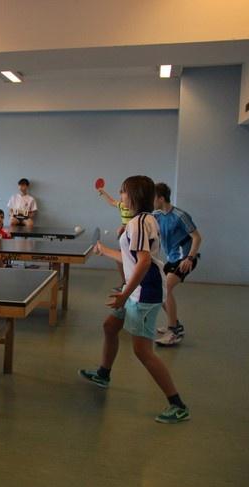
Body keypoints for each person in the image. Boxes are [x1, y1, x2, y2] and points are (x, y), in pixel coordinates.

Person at [79, 175, 190, 424]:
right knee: (110, 326)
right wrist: (104, 250)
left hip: (144, 292)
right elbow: (131, 257)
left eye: (123, 191)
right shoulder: (143, 220)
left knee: (142, 351)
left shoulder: (138, 223)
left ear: (135, 195)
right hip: (137, 288)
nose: (120, 196)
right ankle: (103, 374)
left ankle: (178, 405)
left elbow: (144, 262)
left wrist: (124, 295)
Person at [153, 182, 202, 346]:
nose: (151, 201)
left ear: (161, 198)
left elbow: (197, 237)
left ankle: (173, 331)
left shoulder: (180, 215)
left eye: (153, 198)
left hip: (185, 259)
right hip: (172, 259)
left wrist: (190, 258)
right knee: (159, 290)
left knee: (165, 289)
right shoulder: (157, 215)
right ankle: (175, 324)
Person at [96, 177, 134, 287]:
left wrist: (125, 227)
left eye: (123, 192)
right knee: (120, 259)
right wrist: (103, 192)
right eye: (121, 192)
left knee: (128, 260)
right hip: (125, 236)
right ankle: (125, 283)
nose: (120, 195)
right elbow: (112, 201)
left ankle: (130, 283)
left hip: (133, 237)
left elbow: (135, 223)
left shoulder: (135, 209)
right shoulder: (122, 206)